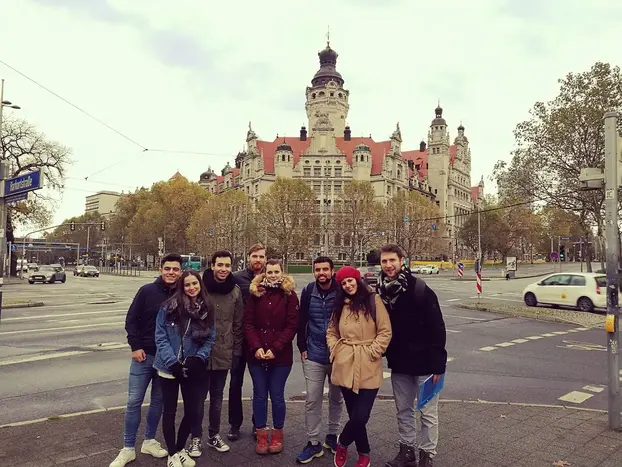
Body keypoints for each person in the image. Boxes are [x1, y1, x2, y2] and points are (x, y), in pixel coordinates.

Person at [109, 254, 183, 467]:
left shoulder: (182, 294)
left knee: (158, 401)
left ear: (180, 271)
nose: (171, 272)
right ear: (161, 269)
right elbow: (131, 319)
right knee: (134, 401)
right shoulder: (146, 291)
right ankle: (128, 448)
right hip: (144, 356)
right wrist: (135, 346)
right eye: (167, 268)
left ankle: (149, 440)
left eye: (175, 269)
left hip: (166, 359)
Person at [378, 244, 447, 467]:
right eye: (384, 261)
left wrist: (438, 365)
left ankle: (427, 456)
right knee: (403, 410)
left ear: (402, 261)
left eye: (392, 260)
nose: (388, 265)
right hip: (400, 363)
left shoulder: (420, 289)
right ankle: (406, 452)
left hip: (426, 365)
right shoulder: (381, 291)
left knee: (427, 413)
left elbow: (437, 328)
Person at [327, 266, 392, 467]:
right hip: (345, 364)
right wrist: (337, 350)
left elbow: (385, 331)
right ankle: (364, 453)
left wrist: (373, 351)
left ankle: (343, 442)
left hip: (368, 363)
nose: (348, 285)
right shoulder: (339, 305)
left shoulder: (373, 300)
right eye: (343, 283)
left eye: (350, 280)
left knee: (361, 415)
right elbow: (331, 332)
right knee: (354, 414)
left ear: (357, 280)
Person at [153, 269, 216, 467]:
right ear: (181, 287)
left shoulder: (207, 308)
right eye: (187, 284)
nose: (191, 288)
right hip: (168, 366)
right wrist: (172, 362)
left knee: (192, 411)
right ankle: (172, 453)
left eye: (194, 283)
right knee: (169, 412)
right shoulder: (168, 307)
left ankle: (180, 448)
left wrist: (199, 358)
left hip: (192, 367)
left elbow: (210, 337)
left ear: (200, 285)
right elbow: (160, 336)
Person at [188, 250, 243, 457]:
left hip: (223, 351)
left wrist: (236, 352)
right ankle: (195, 438)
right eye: (220, 265)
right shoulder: (199, 288)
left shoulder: (235, 291)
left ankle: (214, 435)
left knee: (217, 397)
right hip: (199, 352)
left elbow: (238, 324)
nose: (223, 269)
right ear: (212, 265)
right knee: (198, 397)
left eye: (227, 265)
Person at [244, 259, 299, 455]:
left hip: (280, 355)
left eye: (277, 272)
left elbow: (292, 326)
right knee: (259, 394)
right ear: (264, 273)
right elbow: (248, 324)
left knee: (276, 395)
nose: (273, 275)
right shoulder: (256, 294)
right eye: (270, 272)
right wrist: (256, 346)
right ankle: (261, 434)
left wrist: (275, 348)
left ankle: (277, 434)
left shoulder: (290, 295)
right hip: (257, 354)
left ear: (282, 272)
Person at [296, 256, 343, 464]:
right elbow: (302, 320)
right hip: (314, 354)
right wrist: (302, 346)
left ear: (332, 271)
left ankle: (332, 436)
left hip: (337, 355)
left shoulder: (341, 291)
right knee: (312, 399)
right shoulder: (308, 291)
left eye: (325, 269)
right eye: (318, 270)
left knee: (336, 398)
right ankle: (313, 442)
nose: (321, 273)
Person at [228, 243, 267, 440]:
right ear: (248, 257)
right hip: (239, 338)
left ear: (265, 259)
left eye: (261, 256)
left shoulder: (270, 278)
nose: (258, 260)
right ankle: (234, 424)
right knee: (235, 382)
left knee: (260, 385)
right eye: (254, 256)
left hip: (260, 340)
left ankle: (257, 423)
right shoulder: (236, 278)